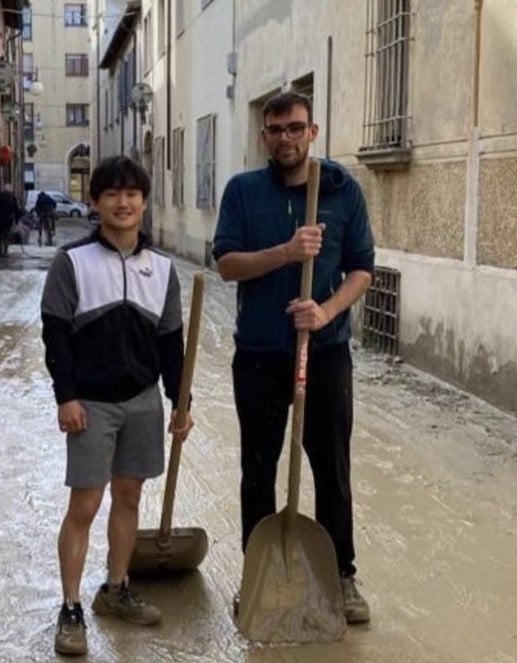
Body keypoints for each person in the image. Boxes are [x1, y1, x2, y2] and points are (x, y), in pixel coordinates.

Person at [211, 90, 375, 625]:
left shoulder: (343, 191)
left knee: (332, 469)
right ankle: (257, 577)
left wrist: (324, 313)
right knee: (257, 470)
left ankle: (342, 575)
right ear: (264, 136)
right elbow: (227, 265)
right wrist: (286, 252)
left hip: (323, 355)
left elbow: (362, 270)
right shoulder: (242, 191)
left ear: (314, 131)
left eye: (295, 128)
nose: (286, 137)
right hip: (259, 354)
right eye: (276, 129)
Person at [40, 156, 194, 657]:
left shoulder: (163, 268)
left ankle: (116, 588)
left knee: (129, 497)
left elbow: (173, 344)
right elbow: (56, 337)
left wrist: (180, 403)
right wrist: (66, 397)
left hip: (144, 401)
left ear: (144, 202)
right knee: (84, 505)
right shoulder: (72, 262)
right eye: (112, 193)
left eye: (132, 194)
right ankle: (70, 608)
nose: (123, 203)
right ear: (95, 201)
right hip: (91, 403)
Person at [0, 182, 23, 256]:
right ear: (10, 190)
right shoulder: (12, 197)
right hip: (8, 220)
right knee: (6, 235)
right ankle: (5, 251)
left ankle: (0, 251)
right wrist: (17, 221)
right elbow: (16, 210)